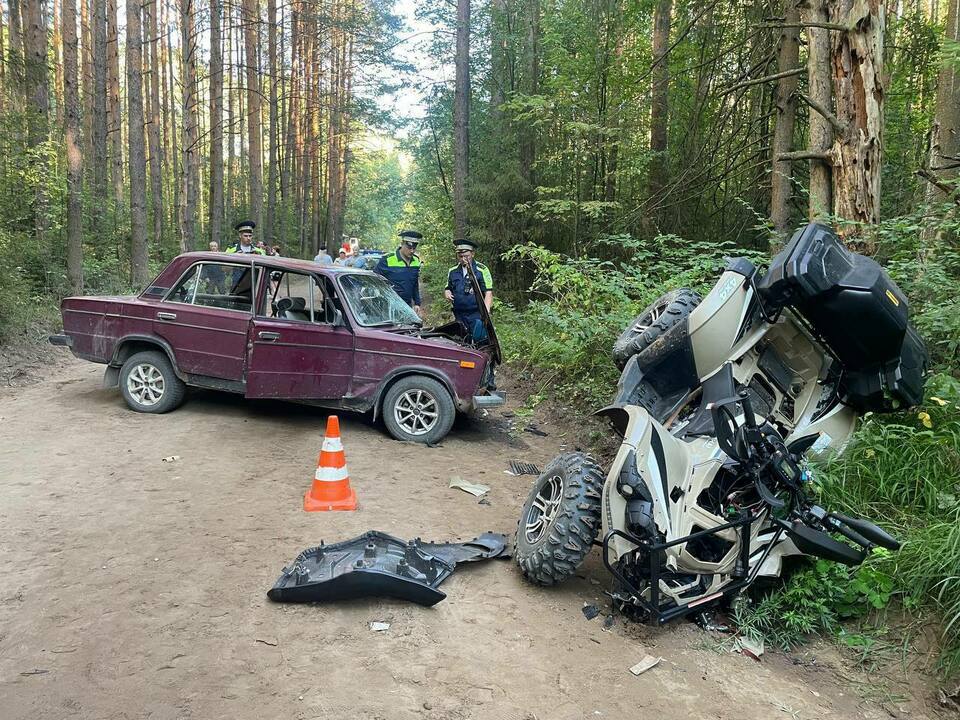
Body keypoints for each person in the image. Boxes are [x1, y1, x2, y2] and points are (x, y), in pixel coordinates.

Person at [445, 238, 493, 342]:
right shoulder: (452, 271)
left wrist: (486, 313)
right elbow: (448, 287)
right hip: (459, 314)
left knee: (479, 341)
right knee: (462, 341)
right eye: (460, 256)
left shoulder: (482, 270)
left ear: (472, 254)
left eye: (466, 256)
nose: (463, 259)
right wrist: (447, 292)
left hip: (476, 314)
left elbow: (488, 292)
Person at [375, 230, 423, 315]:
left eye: (414, 248)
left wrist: (417, 303)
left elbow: (415, 283)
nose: (412, 251)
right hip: (388, 307)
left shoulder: (416, 261)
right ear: (402, 244)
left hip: (407, 306)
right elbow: (374, 280)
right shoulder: (387, 260)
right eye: (409, 248)